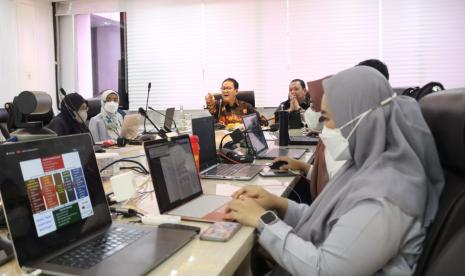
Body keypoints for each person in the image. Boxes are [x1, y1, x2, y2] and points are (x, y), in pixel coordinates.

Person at [225, 66, 444, 275]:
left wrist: (263, 221)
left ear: (358, 121)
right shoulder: (368, 166)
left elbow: (324, 269)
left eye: (327, 119)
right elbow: (331, 219)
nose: (323, 131)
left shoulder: (385, 197)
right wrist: (278, 203)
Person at [279, 58, 391, 201]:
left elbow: (336, 190)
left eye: (324, 116)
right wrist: (303, 166)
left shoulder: (359, 150)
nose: (326, 128)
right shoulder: (365, 139)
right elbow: (332, 178)